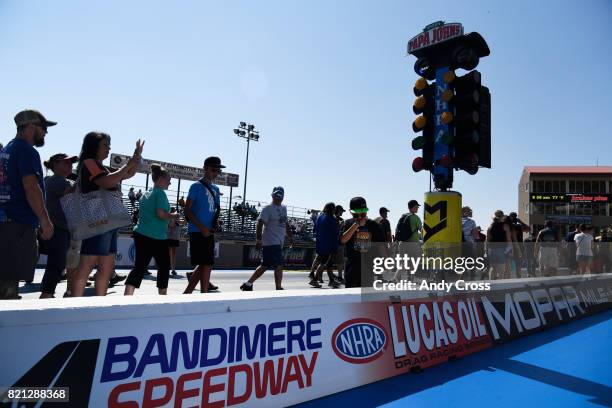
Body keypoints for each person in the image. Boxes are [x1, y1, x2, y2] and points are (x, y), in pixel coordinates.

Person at [68, 132, 143, 297]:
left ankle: (100, 304)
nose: (108, 148)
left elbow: (127, 174)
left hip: (107, 223)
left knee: (107, 267)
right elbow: (108, 181)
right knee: (86, 266)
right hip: (97, 222)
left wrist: (136, 159)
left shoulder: (100, 166)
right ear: (93, 146)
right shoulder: (89, 163)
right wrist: (129, 163)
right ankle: (74, 305)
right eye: (105, 145)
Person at [0, 110, 56, 299]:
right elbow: (31, 188)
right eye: (44, 128)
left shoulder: (8, 149)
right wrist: (45, 221)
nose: (46, 133)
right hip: (16, 225)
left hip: (6, 221)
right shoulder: (26, 150)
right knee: (8, 289)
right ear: (32, 127)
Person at [124, 165, 178, 295]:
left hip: (141, 233)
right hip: (156, 237)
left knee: (139, 267)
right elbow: (160, 214)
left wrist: (170, 220)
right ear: (160, 179)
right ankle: (162, 298)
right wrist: (174, 215)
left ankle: (127, 296)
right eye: (169, 179)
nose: (170, 182)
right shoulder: (160, 193)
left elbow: (154, 217)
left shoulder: (147, 193)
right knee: (164, 267)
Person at [241, 186, 294, 291]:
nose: (278, 197)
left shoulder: (284, 208)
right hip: (271, 241)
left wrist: (291, 236)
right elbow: (260, 223)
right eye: (276, 195)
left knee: (265, 265)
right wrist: (258, 239)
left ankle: (248, 284)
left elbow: (286, 223)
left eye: (280, 195)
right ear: (272, 195)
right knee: (279, 264)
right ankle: (278, 288)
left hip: (278, 242)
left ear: (283, 197)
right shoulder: (268, 208)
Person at [39, 153, 78, 298]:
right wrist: (82, 179)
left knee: (58, 263)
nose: (70, 165)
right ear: (56, 164)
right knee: (57, 262)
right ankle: (46, 294)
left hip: (60, 227)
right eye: (66, 163)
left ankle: (47, 292)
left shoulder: (59, 180)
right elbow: (68, 194)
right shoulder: (56, 181)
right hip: (57, 228)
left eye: (71, 163)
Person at [184, 157, 223, 294]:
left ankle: (188, 293)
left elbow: (215, 210)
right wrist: (202, 228)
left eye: (218, 170)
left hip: (209, 231)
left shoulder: (216, 189)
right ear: (205, 168)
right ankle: (204, 294)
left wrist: (216, 224)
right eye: (213, 169)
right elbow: (187, 210)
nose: (216, 173)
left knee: (206, 263)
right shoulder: (196, 186)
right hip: (197, 230)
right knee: (206, 263)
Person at [340, 197, 386, 288]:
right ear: (351, 212)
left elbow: (381, 245)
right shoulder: (348, 223)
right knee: (351, 295)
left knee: (366, 296)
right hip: (351, 267)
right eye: (359, 211)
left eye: (363, 211)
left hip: (367, 268)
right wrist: (357, 225)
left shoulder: (373, 225)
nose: (362, 213)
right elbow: (343, 240)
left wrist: (385, 259)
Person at [310, 202, 341, 288]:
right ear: (332, 209)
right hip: (328, 245)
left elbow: (315, 229)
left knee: (328, 264)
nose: (335, 210)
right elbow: (335, 233)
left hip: (320, 244)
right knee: (324, 263)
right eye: (334, 208)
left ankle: (331, 280)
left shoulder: (320, 217)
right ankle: (315, 279)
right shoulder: (332, 219)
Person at [393, 200, 422, 281]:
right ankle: (409, 278)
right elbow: (422, 230)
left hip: (402, 243)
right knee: (415, 261)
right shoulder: (415, 218)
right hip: (413, 244)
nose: (418, 208)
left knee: (404, 262)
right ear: (414, 207)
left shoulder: (403, 216)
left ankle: (396, 278)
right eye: (417, 207)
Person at [486, 210, 512, 280]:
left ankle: (491, 284)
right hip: (502, 249)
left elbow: (487, 241)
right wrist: (510, 250)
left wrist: (485, 251)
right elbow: (509, 239)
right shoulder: (505, 225)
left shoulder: (490, 226)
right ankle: (500, 285)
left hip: (491, 249)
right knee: (501, 269)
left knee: (492, 268)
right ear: (502, 216)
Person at [333, 204, 346, 283]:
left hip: (339, 242)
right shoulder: (333, 219)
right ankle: (339, 277)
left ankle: (340, 276)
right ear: (338, 211)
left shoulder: (341, 219)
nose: (342, 212)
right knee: (331, 261)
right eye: (341, 211)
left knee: (340, 261)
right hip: (336, 243)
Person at [167, 207, 182, 276]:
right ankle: (167, 268)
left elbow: (182, 222)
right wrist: (174, 219)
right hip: (170, 237)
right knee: (168, 254)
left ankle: (173, 269)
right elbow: (171, 225)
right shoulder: (169, 218)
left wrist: (186, 218)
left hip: (176, 238)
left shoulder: (177, 218)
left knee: (174, 254)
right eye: (174, 210)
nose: (175, 211)